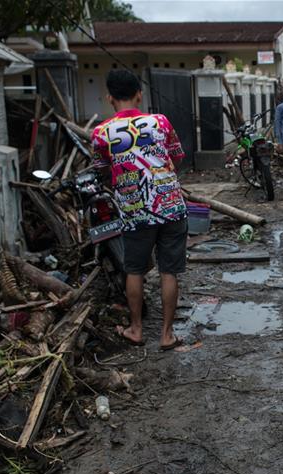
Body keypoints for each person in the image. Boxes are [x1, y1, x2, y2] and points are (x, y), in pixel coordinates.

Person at [92, 69, 187, 351]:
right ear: (139, 94)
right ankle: (167, 334)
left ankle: (136, 329)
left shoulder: (101, 133)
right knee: (169, 271)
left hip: (135, 211)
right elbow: (177, 157)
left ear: (109, 97)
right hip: (170, 205)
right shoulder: (159, 122)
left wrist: (125, 182)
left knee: (134, 270)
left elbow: (102, 172)